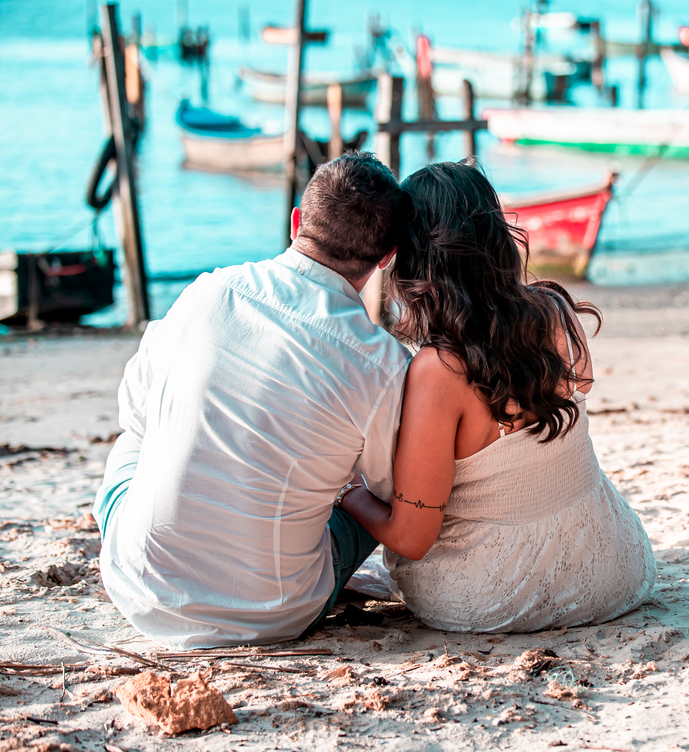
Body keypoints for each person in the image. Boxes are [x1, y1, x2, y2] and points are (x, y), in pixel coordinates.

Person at [93, 153, 411, 649]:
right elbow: (396, 490)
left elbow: (135, 411)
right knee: (372, 485)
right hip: (274, 612)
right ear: (387, 257)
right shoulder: (383, 363)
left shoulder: (208, 291)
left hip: (141, 588)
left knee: (135, 439)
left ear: (297, 222)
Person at [338, 159, 655, 632]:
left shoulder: (439, 369)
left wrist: (348, 491)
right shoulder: (557, 310)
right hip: (613, 566)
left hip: (495, 595)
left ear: (414, 256)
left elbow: (411, 538)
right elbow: (581, 385)